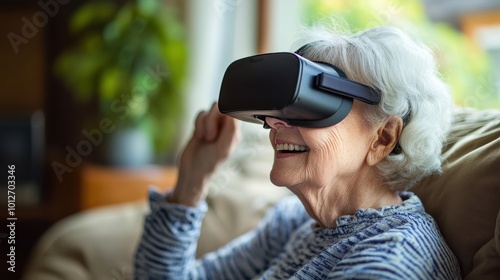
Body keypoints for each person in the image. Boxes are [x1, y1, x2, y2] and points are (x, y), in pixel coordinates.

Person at [134, 24, 462, 279]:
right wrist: (193, 178)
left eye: (310, 104)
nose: (276, 123)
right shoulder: (296, 223)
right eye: (282, 106)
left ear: (382, 138)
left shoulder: (389, 263)